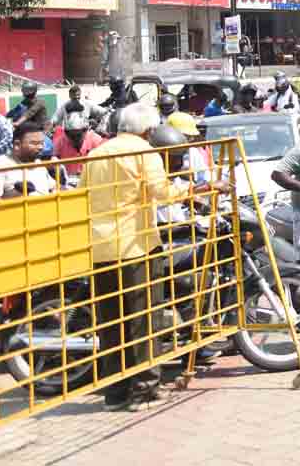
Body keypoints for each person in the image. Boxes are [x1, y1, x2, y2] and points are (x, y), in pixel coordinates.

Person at [82, 104, 186, 410]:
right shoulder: (144, 152)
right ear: (149, 130)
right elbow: (162, 192)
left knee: (111, 323)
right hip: (136, 248)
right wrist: (199, 187)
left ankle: (115, 394)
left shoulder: (97, 153)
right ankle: (144, 391)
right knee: (144, 320)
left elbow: (82, 193)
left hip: (100, 248)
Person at [0, 121, 56, 201]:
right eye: (34, 143)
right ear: (17, 144)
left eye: (41, 143)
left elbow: (54, 187)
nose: (40, 147)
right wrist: (17, 192)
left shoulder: (38, 163)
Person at [167, 112, 211, 186]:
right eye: (187, 136)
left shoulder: (193, 152)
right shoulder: (159, 155)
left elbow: (204, 178)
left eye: (191, 136)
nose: (191, 139)